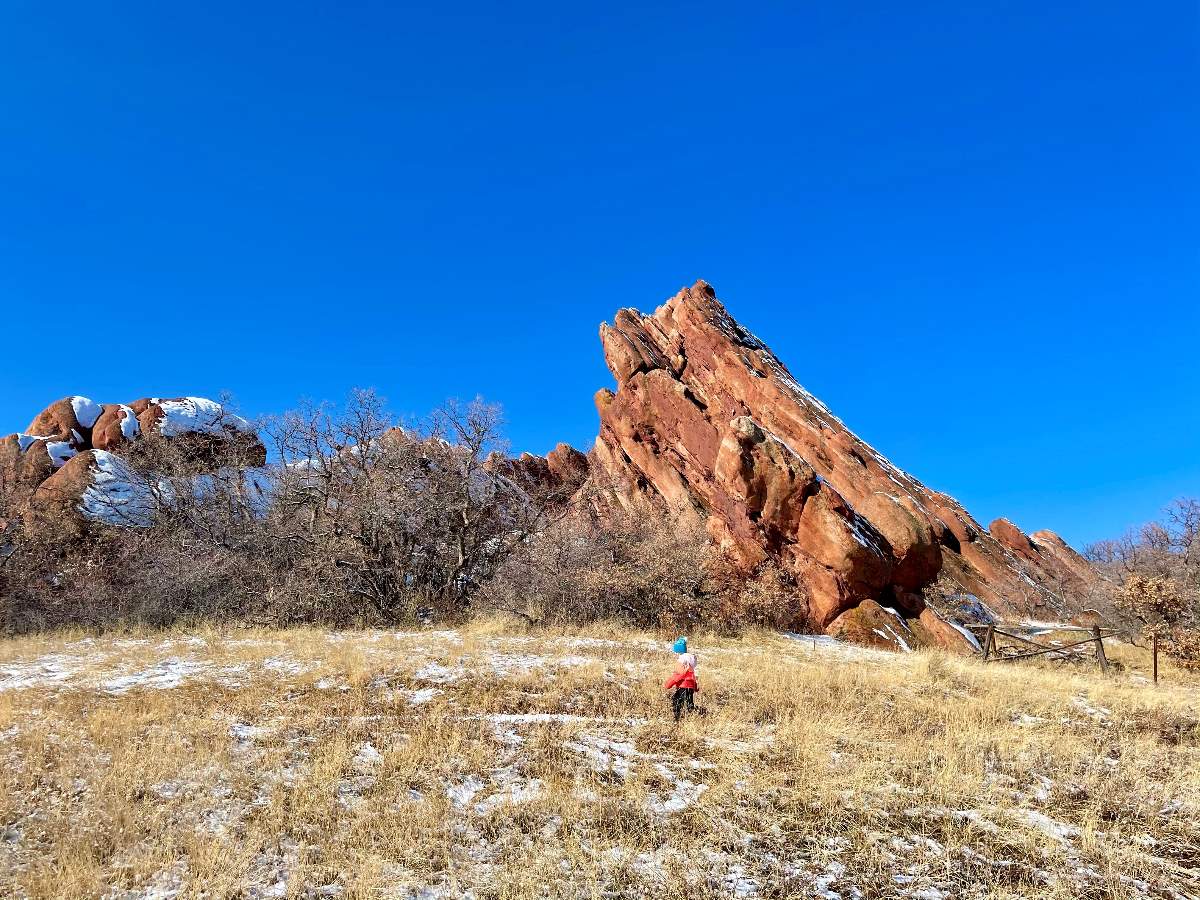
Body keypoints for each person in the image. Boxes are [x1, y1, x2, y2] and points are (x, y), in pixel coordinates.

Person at [663, 636, 698, 722]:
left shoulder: (682, 664)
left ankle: (677, 718)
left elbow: (678, 676)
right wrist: (695, 687)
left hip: (683, 686)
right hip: (690, 687)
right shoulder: (690, 668)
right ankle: (692, 715)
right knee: (689, 701)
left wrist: (668, 684)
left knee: (677, 700)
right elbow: (693, 678)